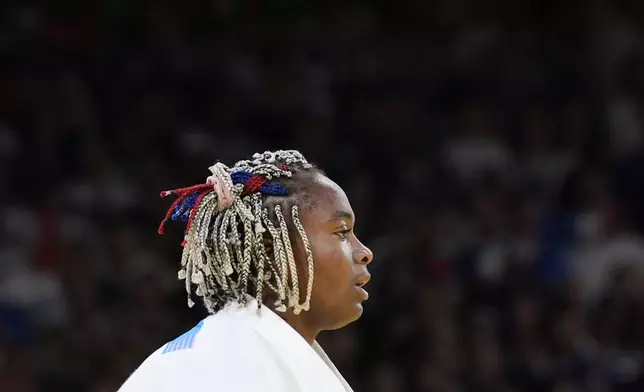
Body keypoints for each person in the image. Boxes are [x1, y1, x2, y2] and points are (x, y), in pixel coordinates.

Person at [118, 150, 374, 392]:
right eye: (342, 232)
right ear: (273, 250)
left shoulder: (244, 350)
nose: (364, 252)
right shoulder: (227, 368)